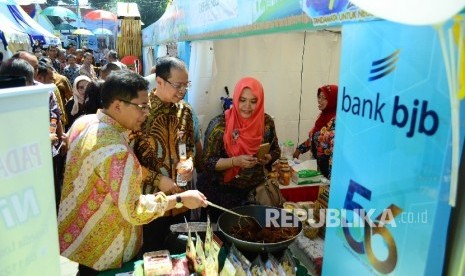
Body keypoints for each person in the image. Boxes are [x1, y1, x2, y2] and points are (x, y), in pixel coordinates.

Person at [57, 70, 207, 274]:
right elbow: (134, 210)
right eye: (142, 106)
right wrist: (180, 199)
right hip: (109, 252)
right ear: (117, 105)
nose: (146, 113)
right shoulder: (117, 151)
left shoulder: (84, 123)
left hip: (85, 242)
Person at [132, 56, 195, 253]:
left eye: (186, 85)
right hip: (151, 202)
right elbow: (128, 161)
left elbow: (190, 146)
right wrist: (158, 180)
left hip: (181, 198)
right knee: (153, 255)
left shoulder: (185, 111)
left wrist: (190, 163)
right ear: (159, 81)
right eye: (178, 85)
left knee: (180, 254)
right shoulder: (141, 112)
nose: (183, 91)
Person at [197, 77, 281, 221]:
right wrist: (235, 161)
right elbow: (207, 162)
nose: (247, 106)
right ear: (235, 98)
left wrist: (267, 158)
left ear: (260, 101)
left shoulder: (266, 123)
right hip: (222, 194)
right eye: (242, 100)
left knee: (253, 235)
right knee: (223, 236)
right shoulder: (219, 125)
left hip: (255, 193)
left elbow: (276, 150)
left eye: (253, 101)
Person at [293, 85, 338, 179]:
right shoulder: (321, 117)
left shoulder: (337, 122)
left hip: (329, 175)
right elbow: (315, 138)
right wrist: (299, 149)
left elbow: (335, 154)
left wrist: (330, 179)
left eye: (324, 98)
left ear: (333, 100)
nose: (319, 100)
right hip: (316, 170)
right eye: (319, 97)